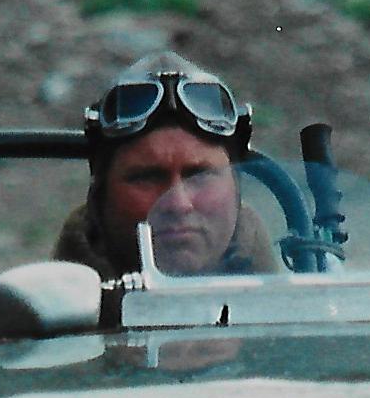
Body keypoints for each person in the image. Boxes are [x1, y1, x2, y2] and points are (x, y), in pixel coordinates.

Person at [52, 51, 275, 278]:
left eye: (200, 175)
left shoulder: (299, 307)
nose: (178, 204)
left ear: (236, 188)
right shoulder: (36, 309)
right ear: (100, 195)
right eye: (147, 177)